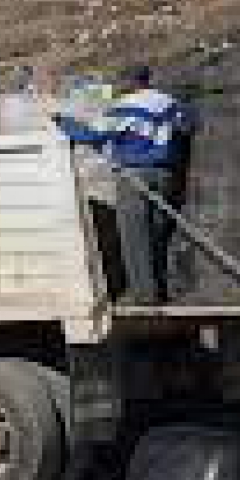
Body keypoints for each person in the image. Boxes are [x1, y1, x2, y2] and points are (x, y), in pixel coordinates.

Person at [54, 64, 194, 305]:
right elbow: (189, 124)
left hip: (134, 177)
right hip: (166, 176)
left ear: (130, 82)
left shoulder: (124, 106)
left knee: (135, 238)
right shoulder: (169, 102)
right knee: (158, 236)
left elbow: (93, 135)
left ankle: (145, 298)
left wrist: (63, 122)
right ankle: (160, 293)